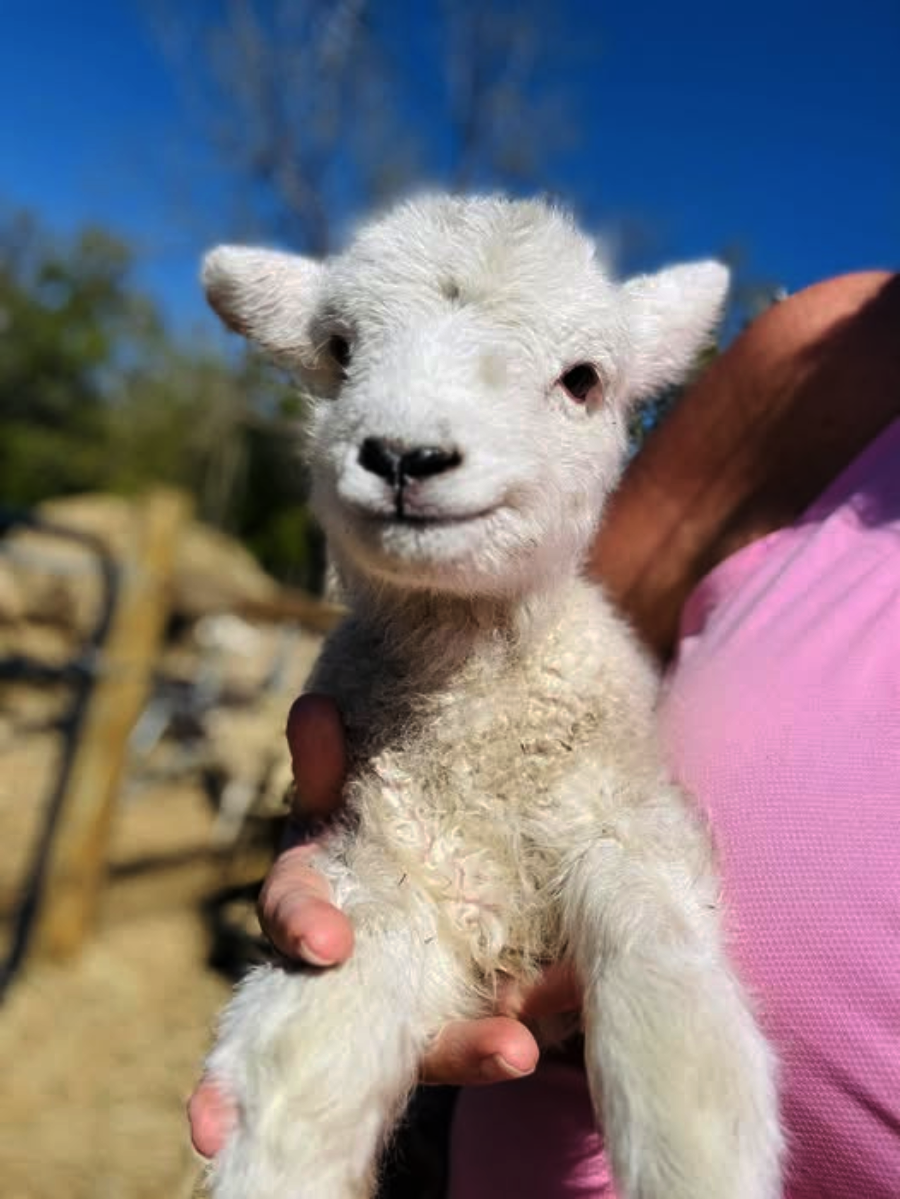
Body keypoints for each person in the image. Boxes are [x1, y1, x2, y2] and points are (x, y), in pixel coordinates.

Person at [189, 271, 900, 1197]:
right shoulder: (845, 353)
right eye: (352, 352)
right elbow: (535, 619)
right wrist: (375, 820)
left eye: (573, 382)